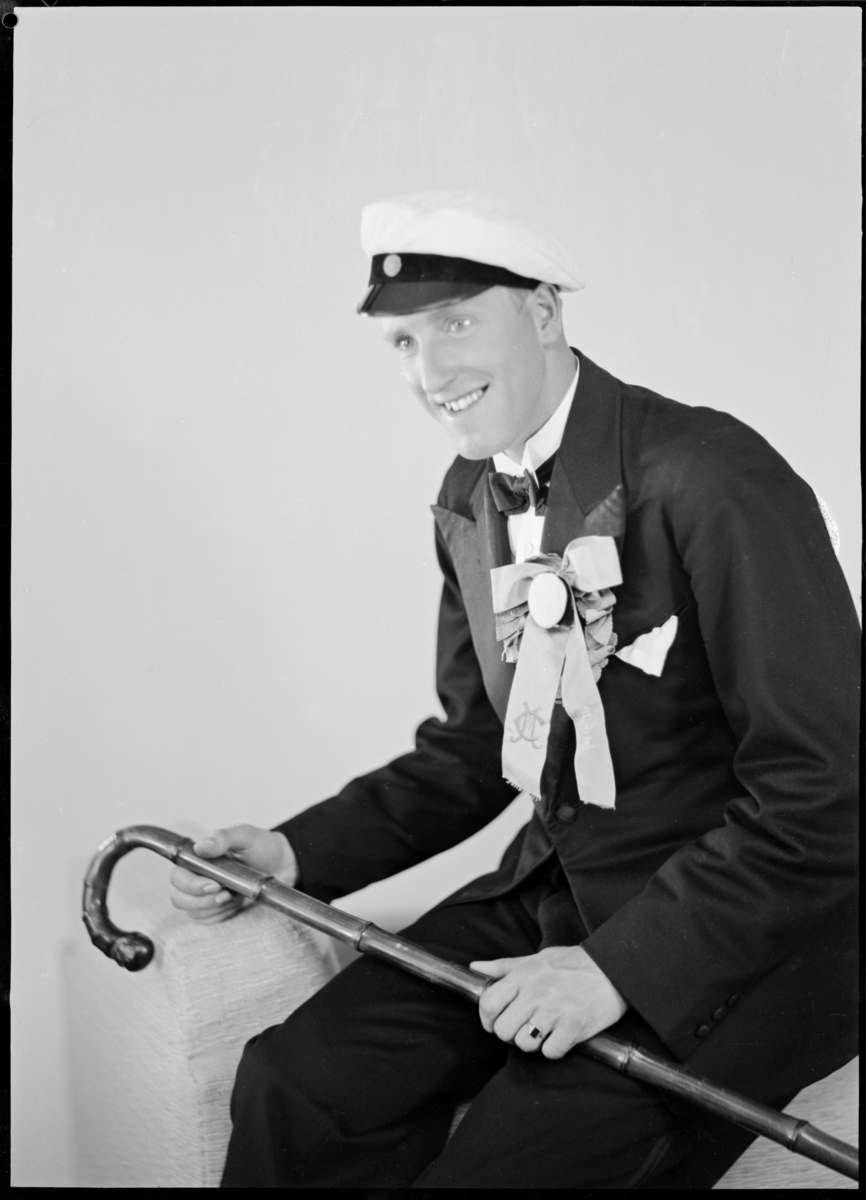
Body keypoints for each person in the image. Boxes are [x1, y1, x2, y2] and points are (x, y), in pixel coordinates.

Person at [169, 192, 859, 1189]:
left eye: (455, 323)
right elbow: (472, 747)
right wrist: (292, 851)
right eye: (404, 342)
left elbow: (825, 787)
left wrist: (619, 971)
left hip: (740, 938)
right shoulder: (467, 498)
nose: (430, 373)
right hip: (555, 891)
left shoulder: (711, 475)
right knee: (296, 1082)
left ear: (542, 312)